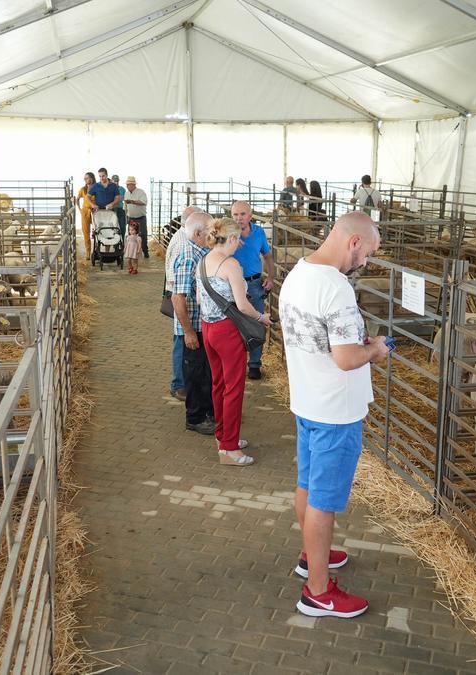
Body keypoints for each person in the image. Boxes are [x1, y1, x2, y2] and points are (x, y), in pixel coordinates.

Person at [279, 211, 389, 619]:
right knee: (324, 501)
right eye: (369, 253)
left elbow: (320, 339)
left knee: (308, 486)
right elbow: (346, 359)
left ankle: (313, 557)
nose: (366, 263)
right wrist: (375, 350)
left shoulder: (299, 272)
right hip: (335, 410)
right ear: (354, 242)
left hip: (308, 399)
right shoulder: (336, 287)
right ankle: (318, 592)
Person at [197, 218, 272, 466]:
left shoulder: (203, 261)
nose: (240, 243)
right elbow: (242, 305)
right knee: (234, 388)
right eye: (238, 238)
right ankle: (229, 449)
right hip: (227, 332)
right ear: (229, 238)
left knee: (219, 384)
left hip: (208, 328)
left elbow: (199, 299)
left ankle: (223, 436)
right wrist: (262, 317)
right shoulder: (231, 265)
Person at [171, 211, 216, 434]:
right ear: (198, 233)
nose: (213, 234)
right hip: (194, 327)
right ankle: (195, 417)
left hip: (201, 324)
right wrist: (187, 331)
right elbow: (177, 297)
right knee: (196, 373)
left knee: (204, 371)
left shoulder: (201, 251)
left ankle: (208, 411)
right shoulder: (189, 256)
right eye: (210, 231)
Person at [230, 200, 274, 380]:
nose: (238, 218)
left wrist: (271, 277)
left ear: (250, 215)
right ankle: (235, 362)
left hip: (255, 283)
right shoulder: (227, 233)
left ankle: (254, 364)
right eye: (235, 214)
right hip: (232, 284)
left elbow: (268, 255)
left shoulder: (259, 232)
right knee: (233, 323)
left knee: (256, 323)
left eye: (242, 214)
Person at [165, 206, 199, 401]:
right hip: (181, 295)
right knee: (180, 341)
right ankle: (178, 384)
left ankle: (180, 383)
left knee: (180, 341)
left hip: (177, 291)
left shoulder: (179, 236)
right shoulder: (184, 242)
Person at [125, 176, 150, 259]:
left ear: (133, 184)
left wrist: (132, 201)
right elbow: (125, 206)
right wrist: (126, 215)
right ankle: (132, 252)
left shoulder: (141, 192)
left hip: (140, 217)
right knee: (131, 235)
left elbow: (143, 202)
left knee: (143, 235)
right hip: (131, 217)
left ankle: (145, 251)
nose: (128, 186)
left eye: (130, 184)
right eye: (127, 184)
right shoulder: (126, 193)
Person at [76, 172, 96, 260]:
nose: (86, 180)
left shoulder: (97, 188)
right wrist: (80, 209)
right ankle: (88, 252)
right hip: (85, 211)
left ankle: (96, 251)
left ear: (91, 178)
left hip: (95, 211)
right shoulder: (83, 189)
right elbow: (77, 199)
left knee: (97, 231)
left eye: (87, 178)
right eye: (84, 179)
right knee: (86, 232)